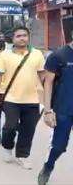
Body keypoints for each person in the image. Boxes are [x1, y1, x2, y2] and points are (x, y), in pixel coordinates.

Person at [0, 26, 45, 170]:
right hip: (11, 99)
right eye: (19, 36)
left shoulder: (37, 54)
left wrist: (47, 98)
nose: (22, 38)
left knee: (28, 129)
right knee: (10, 126)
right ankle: (7, 147)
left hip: (33, 99)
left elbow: (42, 76)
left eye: (25, 35)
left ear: (28, 37)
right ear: (13, 39)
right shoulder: (5, 55)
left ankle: (22, 156)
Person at [38, 38, 73, 185]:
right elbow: (48, 83)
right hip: (64, 108)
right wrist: (47, 111)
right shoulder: (58, 56)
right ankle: (48, 166)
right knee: (59, 146)